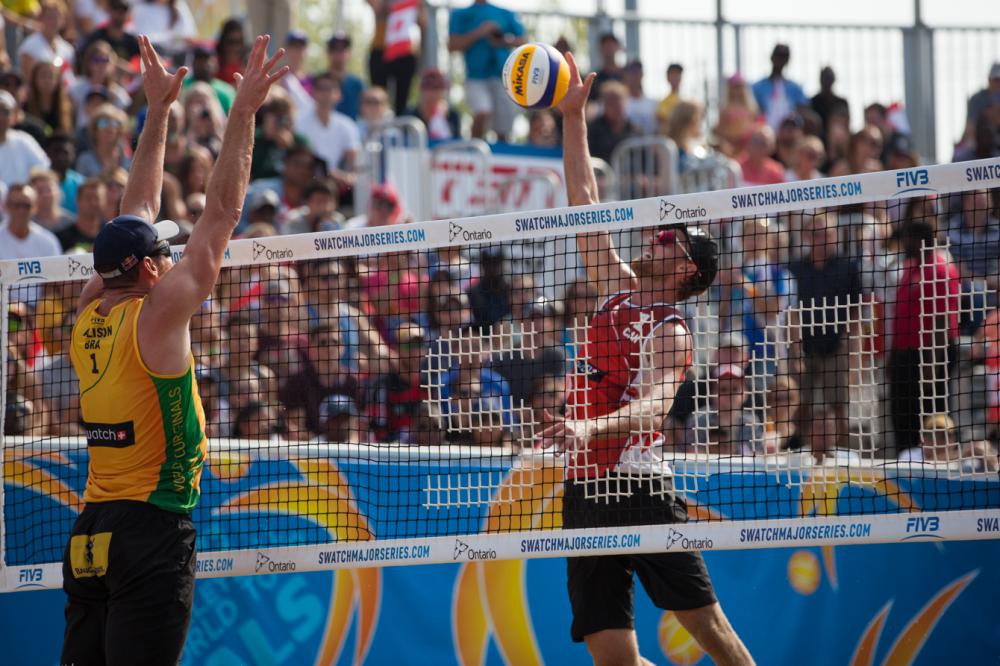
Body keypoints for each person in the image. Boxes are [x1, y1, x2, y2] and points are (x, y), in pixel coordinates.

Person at [60, 35, 287, 665]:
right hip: (149, 532)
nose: (170, 254)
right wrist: (243, 112)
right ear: (149, 268)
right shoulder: (157, 318)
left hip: (91, 536)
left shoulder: (90, 306)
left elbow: (135, 212)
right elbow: (222, 212)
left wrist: (158, 112)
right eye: (163, 251)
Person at [538, 51, 753, 666]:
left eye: (669, 238)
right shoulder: (616, 284)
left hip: (638, 486)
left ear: (685, 267)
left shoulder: (671, 328)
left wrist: (589, 425)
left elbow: (655, 406)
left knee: (711, 630)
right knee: (613, 658)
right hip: (584, 487)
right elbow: (583, 199)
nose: (656, 236)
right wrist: (573, 118)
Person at [447, 0, 525, 141]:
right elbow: (452, 45)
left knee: (504, 128)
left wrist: (504, 40)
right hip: (475, 77)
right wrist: (480, 32)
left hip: (503, 78)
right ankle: (474, 150)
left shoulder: (505, 13)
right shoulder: (460, 14)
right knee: (482, 111)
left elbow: (524, 41)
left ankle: (501, 156)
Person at [294, 72, 360, 186]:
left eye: (330, 88)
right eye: (321, 88)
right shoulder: (298, 122)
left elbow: (355, 163)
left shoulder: (347, 125)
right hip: (305, 182)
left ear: (339, 94)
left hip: (334, 186)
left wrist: (349, 178)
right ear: (313, 92)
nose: (325, 93)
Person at [367, 0, 425, 116]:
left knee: (402, 101)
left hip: (405, 51)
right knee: (378, 96)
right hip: (381, 49)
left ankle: (400, 125)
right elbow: (377, 8)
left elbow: (422, 21)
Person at [751, 44, 807, 131]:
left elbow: (803, 111)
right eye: (778, 56)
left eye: (784, 57)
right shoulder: (757, 88)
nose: (781, 60)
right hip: (764, 133)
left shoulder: (796, 88)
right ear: (772, 57)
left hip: (789, 133)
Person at [0, 90, 50, 185]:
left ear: (14, 115)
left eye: (5, 112)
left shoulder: (24, 140)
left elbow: (43, 167)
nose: (0, 117)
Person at [77, 0, 141, 67]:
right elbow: (87, 59)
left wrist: (130, 69)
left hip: (126, 77)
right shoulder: (97, 37)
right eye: (115, 9)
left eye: (123, 11)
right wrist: (112, 62)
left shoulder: (132, 41)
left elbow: (139, 65)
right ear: (108, 11)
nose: (119, 14)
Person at [405, 68, 461, 141]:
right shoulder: (410, 116)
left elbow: (457, 144)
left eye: (438, 87)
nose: (433, 93)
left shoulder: (452, 116)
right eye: (428, 87)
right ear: (420, 89)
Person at [325, 32, 365, 120]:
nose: (339, 52)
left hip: (352, 131)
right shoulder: (319, 81)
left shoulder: (357, 84)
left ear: (349, 53)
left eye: (343, 49)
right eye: (334, 48)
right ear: (328, 53)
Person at [810, 66, 848, 145]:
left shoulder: (841, 102)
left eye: (829, 78)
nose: (827, 81)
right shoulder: (813, 101)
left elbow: (846, 124)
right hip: (818, 139)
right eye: (825, 78)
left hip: (838, 141)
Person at [623, 59, 657, 135]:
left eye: (638, 72)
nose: (635, 76)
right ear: (625, 75)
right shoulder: (619, 103)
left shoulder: (653, 103)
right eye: (631, 72)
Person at [655, 63, 684, 134]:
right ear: (667, 77)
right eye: (673, 75)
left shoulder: (686, 100)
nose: (675, 77)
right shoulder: (663, 102)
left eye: (677, 74)